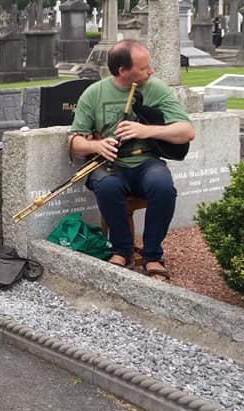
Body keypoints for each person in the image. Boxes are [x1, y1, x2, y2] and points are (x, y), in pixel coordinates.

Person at [68, 39, 195, 282]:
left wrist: (146, 131)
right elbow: (74, 142)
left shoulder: (155, 88)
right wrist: (97, 145)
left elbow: (187, 131)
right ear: (122, 71)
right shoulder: (94, 94)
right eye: (144, 67)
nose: (151, 71)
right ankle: (122, 251)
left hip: (147, 162)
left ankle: (152, 256)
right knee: (107, 186)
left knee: (163, 187)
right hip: (111, 164)